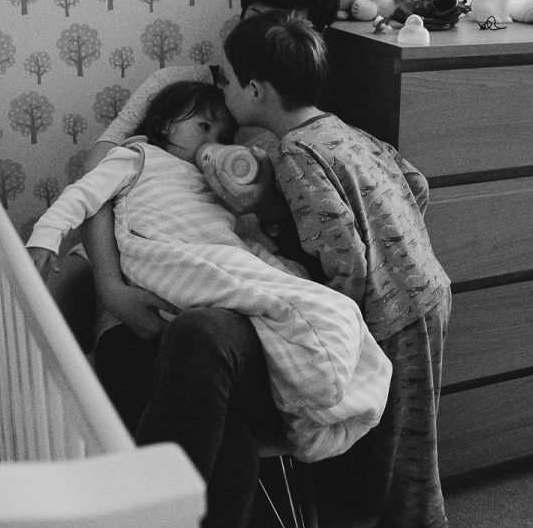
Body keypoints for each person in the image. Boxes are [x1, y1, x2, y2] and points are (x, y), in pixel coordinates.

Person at [45, 0, 340, 528]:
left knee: (206, 334)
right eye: (261, 21)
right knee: (232, 456)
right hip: (144, 316)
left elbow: (287, 243)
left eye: (290, 29)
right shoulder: (171, 91)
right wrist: (111, 285)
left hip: (235, 325)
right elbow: (97, 176)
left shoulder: (291, 125)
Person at [217, 9, 458, 528]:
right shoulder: (340, 130)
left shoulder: (294, 154)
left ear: (255, 90)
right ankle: (391, 527)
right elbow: (416, 182)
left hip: (396, 312)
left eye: (226, 81)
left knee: (409, 442)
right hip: (423, 291)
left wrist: (342, 320)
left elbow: (342, 251)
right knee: (395, 433)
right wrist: (402, 245)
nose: (223, 92)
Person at [28, 81, 389, 464]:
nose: (212, 139)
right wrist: (46, 236)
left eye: (222, 134)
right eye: (203, 127)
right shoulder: (138, 156)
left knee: (289, 285)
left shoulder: (216, 181)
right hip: (168, 253)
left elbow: (236, 234)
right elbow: (84, 193)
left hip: (218, 259)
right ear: (166, 126)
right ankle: (314, 368)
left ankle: (315, 366)